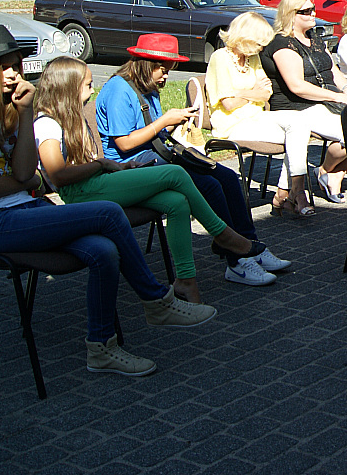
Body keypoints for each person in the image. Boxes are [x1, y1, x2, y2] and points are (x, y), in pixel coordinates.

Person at [0, 25, 216, 378]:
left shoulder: (11, 110)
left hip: (27, 211)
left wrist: (26, 114)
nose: (13, 74)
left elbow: (29, 172)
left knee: (104, 251)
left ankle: (101, 348)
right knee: (106, 213)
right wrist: (22, 182)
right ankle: (156, 300)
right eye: (2, 67)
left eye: (15, 64)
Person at [35, 55, 283, 301]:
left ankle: (186, 279)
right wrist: (104, 163)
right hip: (86, 190)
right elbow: (60, 176)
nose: (93, 90)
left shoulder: (71, 116)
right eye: (88, 85)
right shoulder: (48, 124)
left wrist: (172, 126)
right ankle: (224, 236)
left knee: (178, 201)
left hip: (102, 178)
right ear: (67, 87)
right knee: (178, 174)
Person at [96, 32, 287, 283]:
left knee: (228, 177)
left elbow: (153, 131)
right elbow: (124, 143)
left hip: (155, 153)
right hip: (130, 165)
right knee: (209, 185)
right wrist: (165, 120)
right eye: (163, 70)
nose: (167, 76)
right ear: (146, 65)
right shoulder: (119, 90)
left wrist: (177, 124)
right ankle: (236, 259)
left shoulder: (147, 86)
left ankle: (250, 244)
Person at [205, 11, 313, 217]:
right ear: (245, 38)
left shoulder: (251, 58)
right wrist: (252, 92)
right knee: (296, 138)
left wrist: (244, 93)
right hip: (232, 124)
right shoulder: (220, 58)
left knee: (300, 123)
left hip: (255, 117)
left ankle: (286, 191)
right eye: (258, 43)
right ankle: (293, 193)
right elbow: (228, 104)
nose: (261, 48)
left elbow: (266, 92)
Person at [261, 0, 347, 203]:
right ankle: (327, 172)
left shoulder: (315, 39)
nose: (313, 14)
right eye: (306, 11)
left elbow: (333, 70)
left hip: (326, 101)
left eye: (313, 9)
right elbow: (297, 86)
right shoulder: (282, 43)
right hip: (298, 107)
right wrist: (337, 98)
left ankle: (330, 173)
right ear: (290, 15)